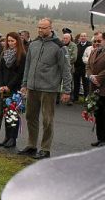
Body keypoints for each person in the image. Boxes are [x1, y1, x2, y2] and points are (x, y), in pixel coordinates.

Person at [19, 18, 71, 159]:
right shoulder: (34, 44)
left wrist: (66, 90)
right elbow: (27, 66)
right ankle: (31, 145)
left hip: (49, 89)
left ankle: (45, 149)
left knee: (47, 120)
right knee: (30, 116)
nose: (40, 30)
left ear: (50, 28)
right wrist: (24, 84)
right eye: (39, 27)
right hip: (32, 87)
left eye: (43, 28)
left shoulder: (59, 46)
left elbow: (66, 69)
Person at [0, 32, 26, 148]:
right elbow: (0, 70)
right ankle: (7, 137)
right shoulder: (4, 53)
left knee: (13, 113)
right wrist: (1, 85)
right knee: (5, 113)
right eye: (8, 41)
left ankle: (13, 138)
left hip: (15, 88)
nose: (10, 43)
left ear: (17, 42)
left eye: (12, 41)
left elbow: (20, 74)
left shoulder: (22, 55)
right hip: (4, 88)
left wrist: (9, 86)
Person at [73, 32, 92, 102]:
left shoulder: (90, 46)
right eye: (81, 36)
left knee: (85, 84)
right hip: (77, 67)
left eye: (84, 36)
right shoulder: (77, 46)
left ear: (86, 37)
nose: (83, 37)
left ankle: (86, 99)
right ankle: (75, 98)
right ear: (79, 38)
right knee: (76, 83)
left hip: (85, 68)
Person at [60, 33, 77, 106]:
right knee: (58, 82)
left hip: (69, 68)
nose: (65, 40)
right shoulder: (60, 44)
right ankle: (57, 98)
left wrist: (65, 62)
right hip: (59, 67)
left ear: (70, 39)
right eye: (64, 38)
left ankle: (70, 99)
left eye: (66, 38)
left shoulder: (73, 45)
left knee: (70, 83)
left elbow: (74, 57)